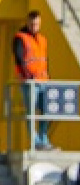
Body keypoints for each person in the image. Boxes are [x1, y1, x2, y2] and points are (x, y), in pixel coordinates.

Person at [13, 10, 53, 151]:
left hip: (43, 80)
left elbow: (44, 60)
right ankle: (35, 141)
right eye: (32, 23)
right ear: (27, 22)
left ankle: (43, 138)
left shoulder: (42, 39)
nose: (34, 26)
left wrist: (48, 76)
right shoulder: (20, 37)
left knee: (47, 110)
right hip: (30, 81)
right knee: (31, 111)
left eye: (36, 24)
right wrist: (27, 76)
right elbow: (19, 58)